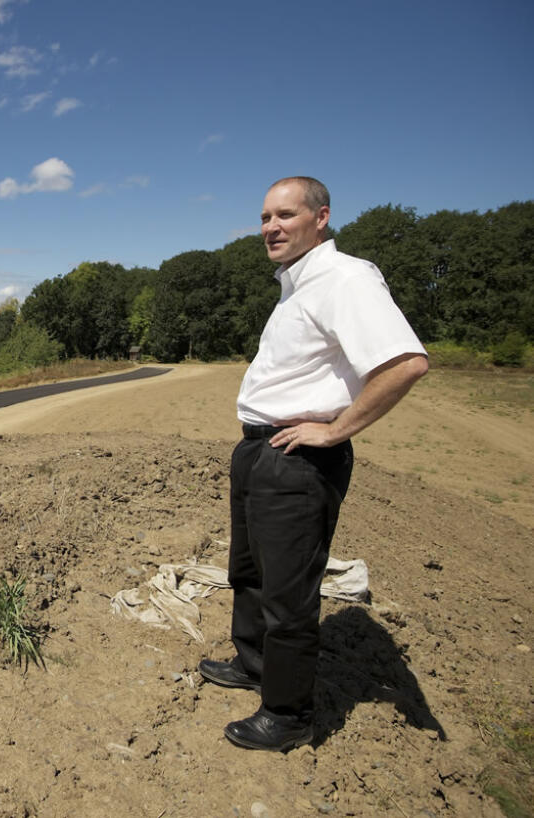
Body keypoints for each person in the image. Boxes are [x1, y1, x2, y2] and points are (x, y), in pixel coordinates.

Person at [198, 176, 429, 751]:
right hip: (258, 448)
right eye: (264, 217)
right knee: (248, 575)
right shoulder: (296, 286)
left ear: (321, 217)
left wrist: (334, 430)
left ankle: (288, 713)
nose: (270, 227)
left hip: (297, 460)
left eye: (285, 215)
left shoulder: (345, 278)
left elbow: (404, 363)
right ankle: (254, 665)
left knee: (288, 594)